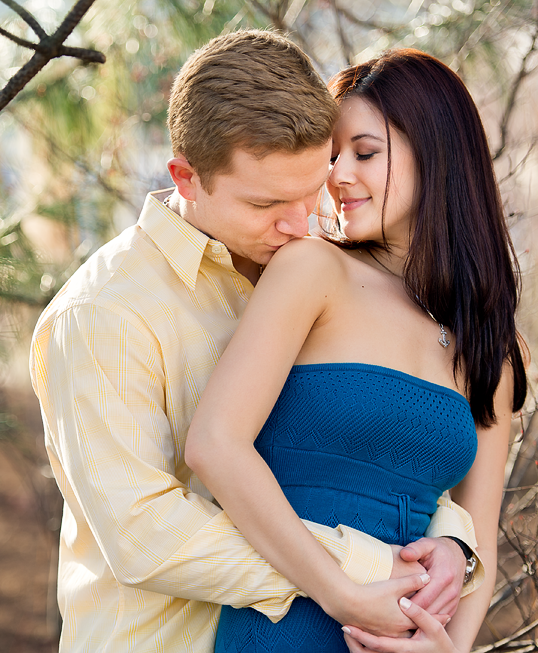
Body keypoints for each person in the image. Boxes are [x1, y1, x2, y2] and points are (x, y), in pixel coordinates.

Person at [30, 32, 482, 653]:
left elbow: (368, 445)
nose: (300, 224)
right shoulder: (104, 313)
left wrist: (455, 542)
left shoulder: (309, 270)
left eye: (310, 191)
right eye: (267, 202)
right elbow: (146, 533)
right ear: (186, 179)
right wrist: (359, 566)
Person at [184, 48, 528, 653]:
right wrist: (338, 591)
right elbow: (215, 445)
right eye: (333, 156)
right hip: (287, 626)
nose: (338, 176)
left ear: (438, 158)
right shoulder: (313, 271)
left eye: (364, 153)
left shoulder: (491, 348)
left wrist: (447, 647)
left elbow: (483, 545)